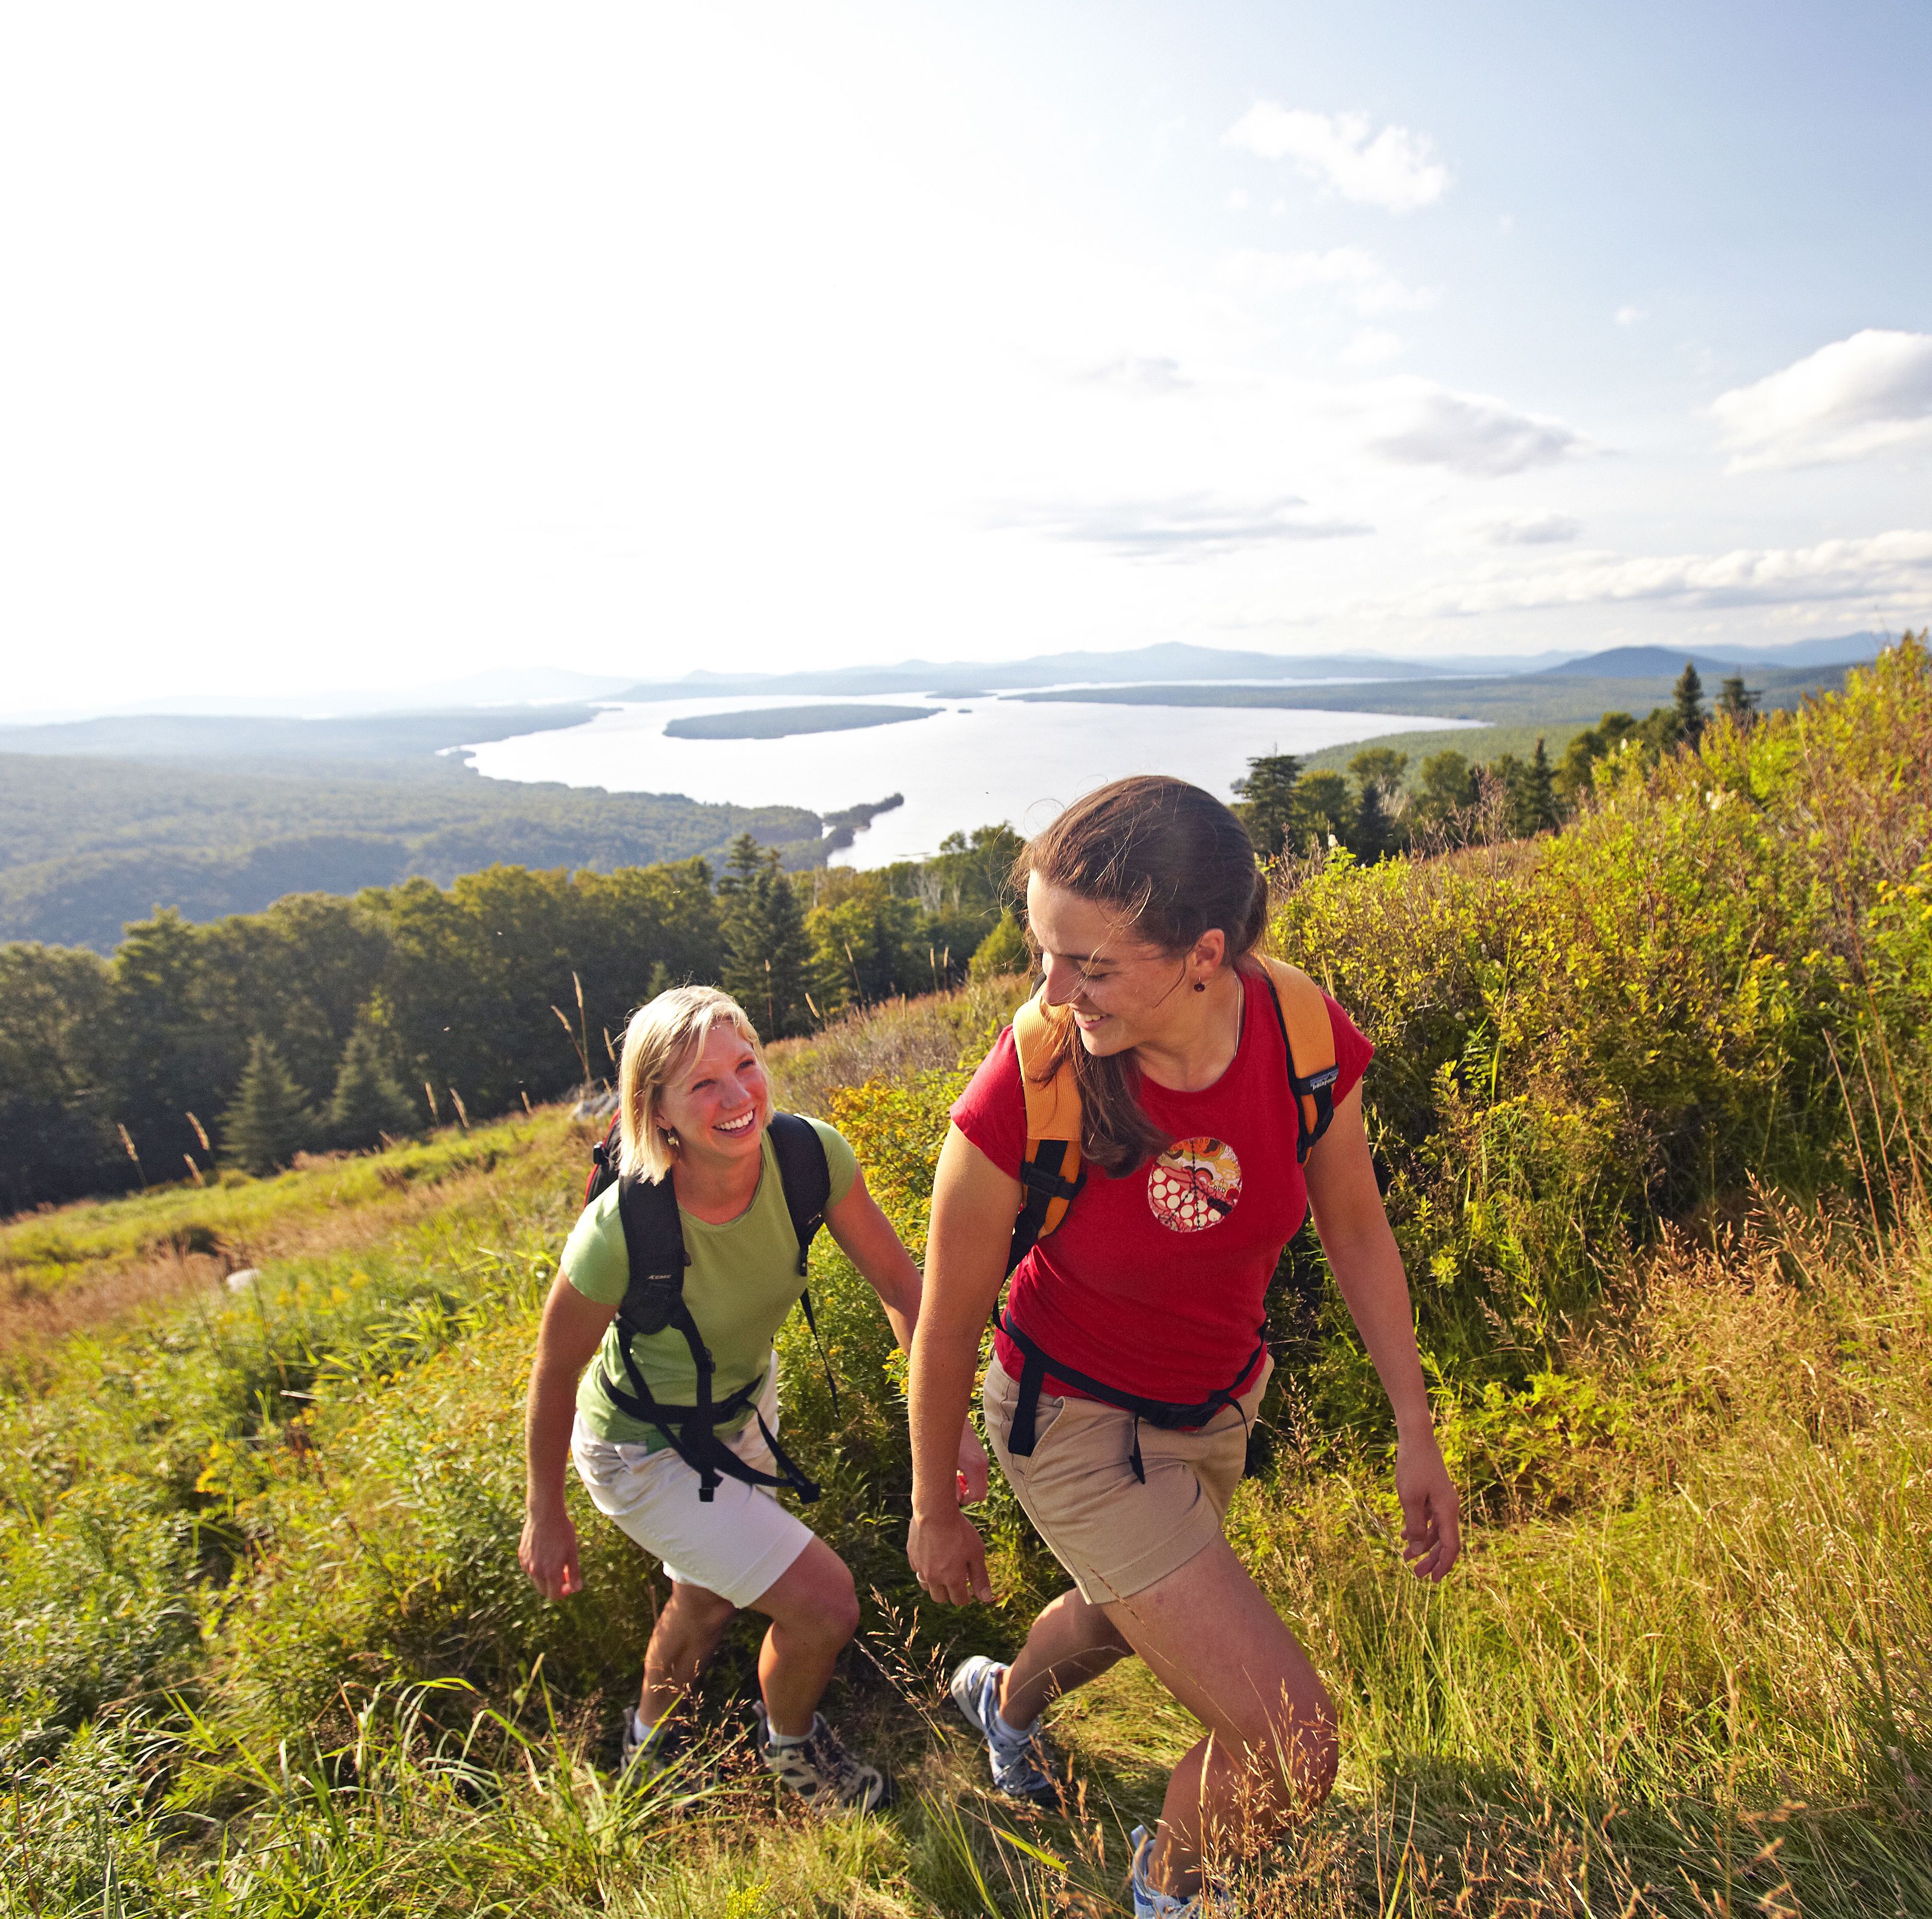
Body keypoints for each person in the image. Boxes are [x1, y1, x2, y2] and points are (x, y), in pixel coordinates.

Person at [905, 777, 1460, 1915]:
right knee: (1290, 1742)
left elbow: (1357, 1227)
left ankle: (1002, 1706)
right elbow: (948, 1314)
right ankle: (1171, 1884)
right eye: (1042, 951)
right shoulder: (1037, 1077)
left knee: (1119, 1611)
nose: (1050, 991)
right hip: (1067, 1418)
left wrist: (1416, 1427)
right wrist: (932, 1499)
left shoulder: (1299, 1033)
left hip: (1214, 1407)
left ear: (1205, 954)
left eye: (1090, 967)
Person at [520, 984, 987, 1812]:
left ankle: (647, 1747)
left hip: (742, 1411)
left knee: (703, 1598)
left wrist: (943, 1425)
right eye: (702, 1085)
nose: (737, 1098)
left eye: (746, 1066)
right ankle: (794, 1754)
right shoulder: (622, 1227)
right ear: (656, 1110)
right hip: (639, 1449)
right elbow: (557, 1369)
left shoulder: (809, 1156)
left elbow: (899, 1287)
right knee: (823, 1605)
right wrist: (545, 1510)